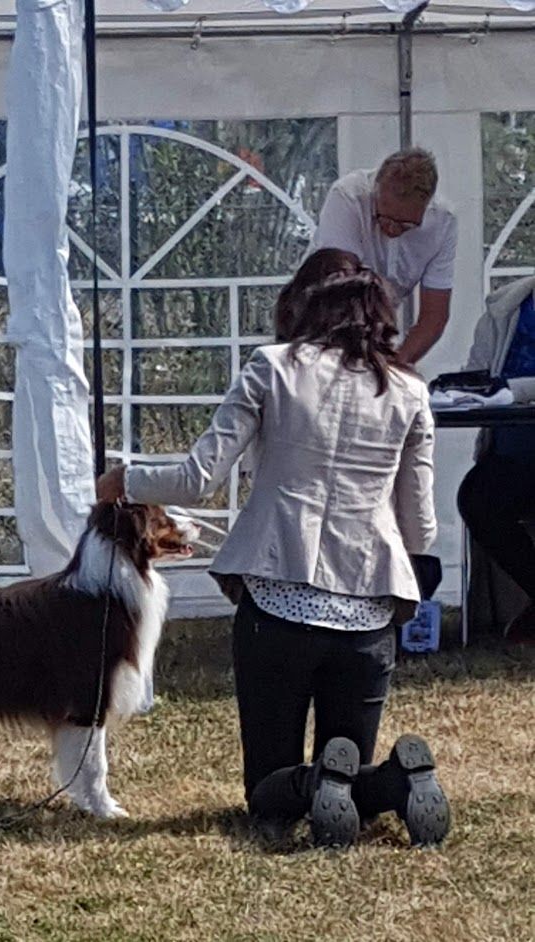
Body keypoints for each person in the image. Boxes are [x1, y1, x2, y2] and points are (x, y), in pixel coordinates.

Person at [97, 257, 450, 848]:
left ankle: (311, 782)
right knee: (350, 783)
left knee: (266, 793)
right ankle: (395, 782)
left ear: (307, 308)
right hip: (368, 612)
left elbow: (198, 478)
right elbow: (420, 525)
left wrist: (124, 480)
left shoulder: (272, 366)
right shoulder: (410, 391)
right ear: (383, 320)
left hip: (278, 600)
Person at [310, 148, 457, 365]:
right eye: (383, 218)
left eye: (407, 225)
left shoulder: (443, 222)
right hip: (319, 322)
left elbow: (434, 316)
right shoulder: (348, 197)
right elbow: (342, 294)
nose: (392, 229)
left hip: (377, 332)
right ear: (376, 189)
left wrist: (397, 365)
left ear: (427, 204)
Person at [457, 275, 535, 645]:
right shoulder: (505, 307)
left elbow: (503, 388)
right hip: (513, 453)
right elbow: (478, 370)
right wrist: (460, 389)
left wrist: (512, 390)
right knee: (476, 497)